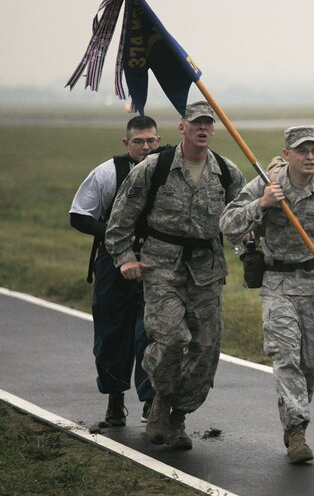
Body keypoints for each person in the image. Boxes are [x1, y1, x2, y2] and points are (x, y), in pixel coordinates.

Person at [219, 125, 314, 464]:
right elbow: (228, 223)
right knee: (285, 357)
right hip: (278, 286)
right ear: (287, 154)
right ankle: (297, 430)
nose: (310, 156)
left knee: (309, 366)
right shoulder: (266, 184)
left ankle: (293, 417)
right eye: (302, 150)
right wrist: (261, 203)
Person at [105, 100, 245, 450]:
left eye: (208, 124)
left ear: (213, 130)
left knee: (205, 348)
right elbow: (119, 220)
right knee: (171, 340)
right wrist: (125, 258)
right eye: (195, 122)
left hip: (207, 270)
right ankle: (160, 404)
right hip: (161, 267)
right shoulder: (156, 168)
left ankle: (177, 416)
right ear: (182, 127)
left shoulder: (227, 173)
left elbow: (241, 222)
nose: (202, 128)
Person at [70, 115, 160, 427]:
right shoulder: (108, 172)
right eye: (138, 141)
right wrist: (114, 232)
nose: (145, 147)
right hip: (112, 262)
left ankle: (151, 401)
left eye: (151, 141)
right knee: (111, 332)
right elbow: (79, 216)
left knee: (152, 331)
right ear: (126, 143)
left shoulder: (167, 170)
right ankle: (115, 399)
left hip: (155, 261)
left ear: (158, 141)